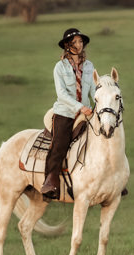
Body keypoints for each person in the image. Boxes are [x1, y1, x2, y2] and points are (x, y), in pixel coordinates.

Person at [40, 28, 96, 200]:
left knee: (105, 134)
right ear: (67, 45)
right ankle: (51, 181)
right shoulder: (60, 67)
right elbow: (62, 94)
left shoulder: (89, 66)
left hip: (86, 111)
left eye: (80, 42)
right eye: (75, 42)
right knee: (60, 143)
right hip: (65, 111)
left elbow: (93, 90)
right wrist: (80, 107)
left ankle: (113, 180)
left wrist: (99, 105)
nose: (78, 45)